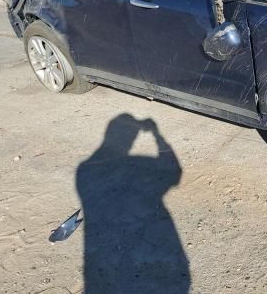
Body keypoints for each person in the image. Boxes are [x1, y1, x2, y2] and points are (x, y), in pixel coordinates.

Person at [76, 114, 190, 293]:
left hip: (105, 259)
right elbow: (175, 174)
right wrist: (157, 136)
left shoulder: (84, 170)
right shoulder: (130, 167)